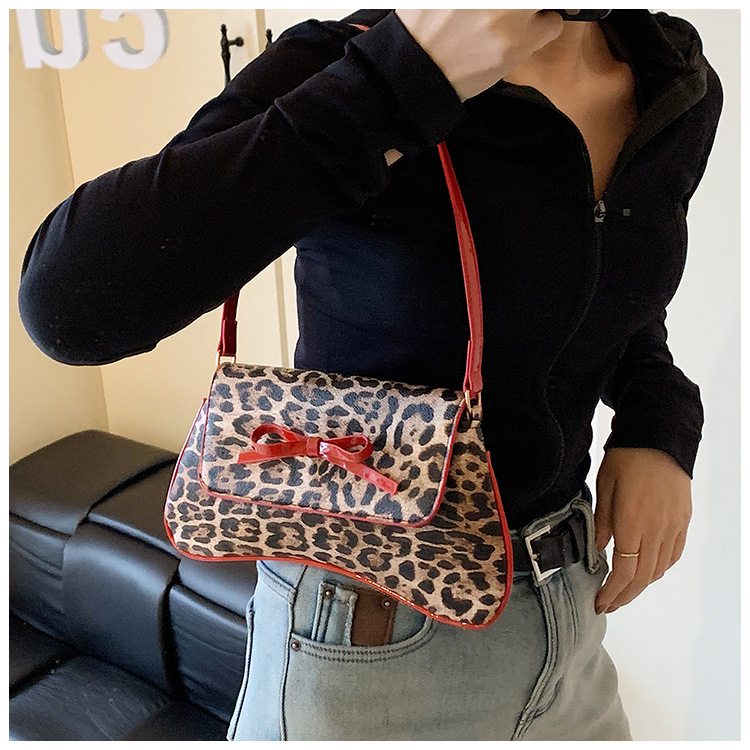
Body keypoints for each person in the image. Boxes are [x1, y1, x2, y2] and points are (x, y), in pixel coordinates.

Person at [17, 8, 723, 741]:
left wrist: (658, 419)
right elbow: (67, 305)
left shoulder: (673, 80)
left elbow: (606, 291)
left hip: (571, 608)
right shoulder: (349, 59)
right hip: (368, 629)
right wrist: (401, 82)